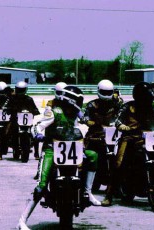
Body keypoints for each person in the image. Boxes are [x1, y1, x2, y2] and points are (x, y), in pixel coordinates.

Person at [17, 86, 100, 229]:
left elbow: (84, 124)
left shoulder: (76, 113)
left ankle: (87, 191)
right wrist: (37, 134)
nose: (79, 104)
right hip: (52, 148)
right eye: (77, 101)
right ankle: (22, 221)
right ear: (70, 100)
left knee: (93, 156)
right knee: (41, 185)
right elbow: (38, 126)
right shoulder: (53, 111)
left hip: (73, 147)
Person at [101, 82, 154, 206]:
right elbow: (118, 119)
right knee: (118, 163)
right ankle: (109, 195)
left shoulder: (150, 108)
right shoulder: (127, 106)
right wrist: (121, 125)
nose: (148, 100)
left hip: (146, 138)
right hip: (129, 138)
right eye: (146, 97)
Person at [81, 79, 123, 188]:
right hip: (96, 134)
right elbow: (85, 116)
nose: (106, 95)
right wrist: (87, 121)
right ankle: (88, 179)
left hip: (114, 135)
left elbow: (122, 116)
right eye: (104, 92)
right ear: (99, 91)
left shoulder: (116, 105)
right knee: (90, 156)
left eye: (108, 92)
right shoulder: (91, 105)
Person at [3, 81, 40, 161]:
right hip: (15, 120)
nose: (20, 92)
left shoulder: (29, 99)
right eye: (19, 90)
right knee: (6, 132)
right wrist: (8, 110)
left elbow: (35, 108)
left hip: (27, 122)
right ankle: (2, 151)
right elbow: (6, 107)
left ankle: (36, 153)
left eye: (22, 90)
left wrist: (35, 111)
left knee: (35, 134)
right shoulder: (12, 98)